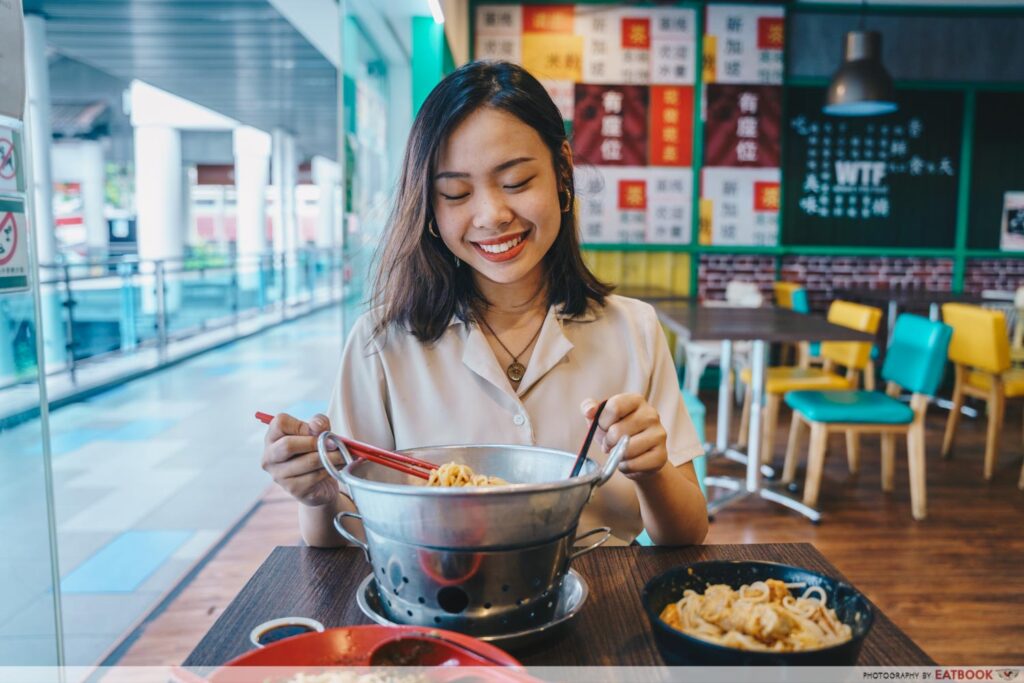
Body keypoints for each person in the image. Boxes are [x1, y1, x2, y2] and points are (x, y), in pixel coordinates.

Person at [262, 60, 708, 547]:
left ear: (562, 170)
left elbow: (686, 534)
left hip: (601, 604)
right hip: (437, 597)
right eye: (455, 192)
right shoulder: (382, 343)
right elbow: (341, 539)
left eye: (515, 182)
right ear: (428, 205)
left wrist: (652, 470)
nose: (491, 215)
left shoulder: (634, 329)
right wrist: (320, 494)